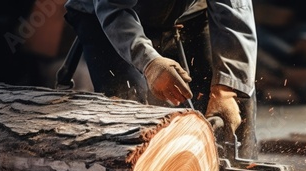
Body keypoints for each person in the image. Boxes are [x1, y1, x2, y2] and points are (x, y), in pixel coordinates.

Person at [64, 0, 258, 159]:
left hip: (188, 14)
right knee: (129, 112)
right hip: (106, 16)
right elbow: (113, 9)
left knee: (235, 96)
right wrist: (149, 63)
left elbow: (237, 11)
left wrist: (225, 90)